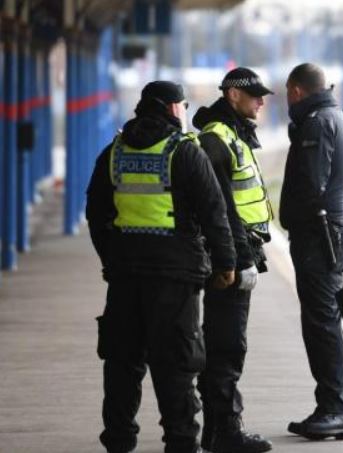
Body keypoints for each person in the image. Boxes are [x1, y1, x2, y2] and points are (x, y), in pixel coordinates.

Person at [86, 81, 236, 453]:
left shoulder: (114, 151)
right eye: (183, 105)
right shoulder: (184, 152)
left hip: (124, 275)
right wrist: (226, 262)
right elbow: (214, 212)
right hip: (175, 276)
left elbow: (95, 213)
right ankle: (181, 441)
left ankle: (119, 440)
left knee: (122, 361)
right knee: (176, 363)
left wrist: (112, 257)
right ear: (173, 109)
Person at [192, 67, 273, 453]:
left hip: (239, 250)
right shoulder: (217, 140)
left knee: (224, 340)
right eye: (255, 94)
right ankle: (225, 431)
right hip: (229, 256)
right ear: (232, 96)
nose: (261, 101)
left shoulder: (232, 134)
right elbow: (221, 209)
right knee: (226, 343)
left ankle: (214, 429)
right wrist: (239, 260)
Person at [280, 63, 343, 440]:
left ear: (295, 91)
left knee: (321, 320)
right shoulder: (333, 117)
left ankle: (335, 408)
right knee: (325, 318)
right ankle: (335, 406)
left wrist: (297, 219)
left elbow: (311, 185)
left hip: (319, 234)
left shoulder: (316, 123)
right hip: (331, 230)